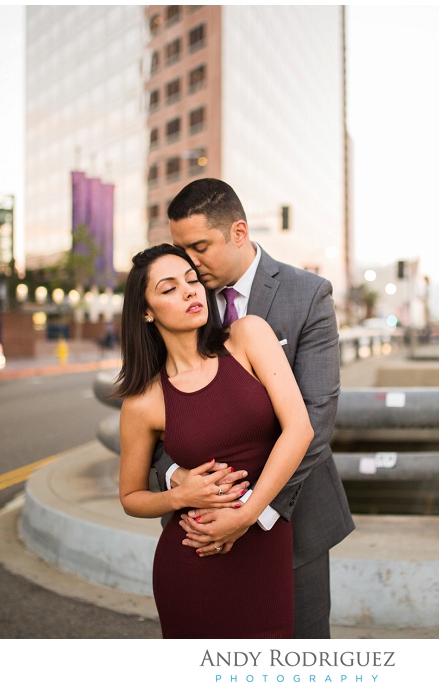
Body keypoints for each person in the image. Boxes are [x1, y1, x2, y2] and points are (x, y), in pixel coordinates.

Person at [154, 178, 355, 639]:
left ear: (239, 232)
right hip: (199, 527)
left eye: (200, 246)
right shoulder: (177, 298)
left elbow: (316, 419)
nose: (190, 262)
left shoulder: (308, 296)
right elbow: (156, 410)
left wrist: (250, 512)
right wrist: (175, 477)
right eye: (181, 249)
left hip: (292, 520)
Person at [115, 244, 314, 638]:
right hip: (194, 560)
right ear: (146, 311)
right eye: (169, 288)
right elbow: (130, 497)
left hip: (264, 549)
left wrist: (244, 516)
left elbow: (300, 429)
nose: (190, 291)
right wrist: (179, 495)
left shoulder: (247, 336)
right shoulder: (144, 402)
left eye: (192, 280)